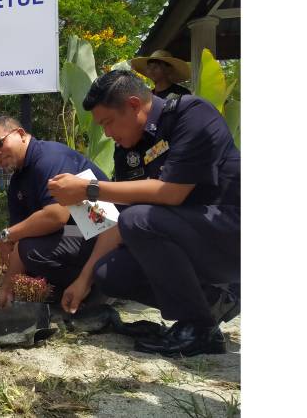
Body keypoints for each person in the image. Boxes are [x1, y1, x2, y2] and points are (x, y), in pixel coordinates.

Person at [48, 70, 240, 357]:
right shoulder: (129, 151)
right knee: (110, 273)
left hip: (230, 234)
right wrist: (84, 280)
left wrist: (89, 189)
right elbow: (120, 222)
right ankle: (212, 303)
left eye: (108, 122)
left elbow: (171, 193)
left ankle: (199, 328)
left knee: (139, 219)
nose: (107, 133)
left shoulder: (192, 115)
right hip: (188, 239)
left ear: (134, 105)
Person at [0, 117, 109, 309]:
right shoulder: (18, 180)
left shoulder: (49, 158)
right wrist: (7, 286)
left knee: (30, 250)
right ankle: (61, 292)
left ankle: (96, 289)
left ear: (21, 134)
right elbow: (18, 238)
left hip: (104, 236)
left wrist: (6, 235)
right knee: (25, 251)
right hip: (74, 237)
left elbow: (56, 216)